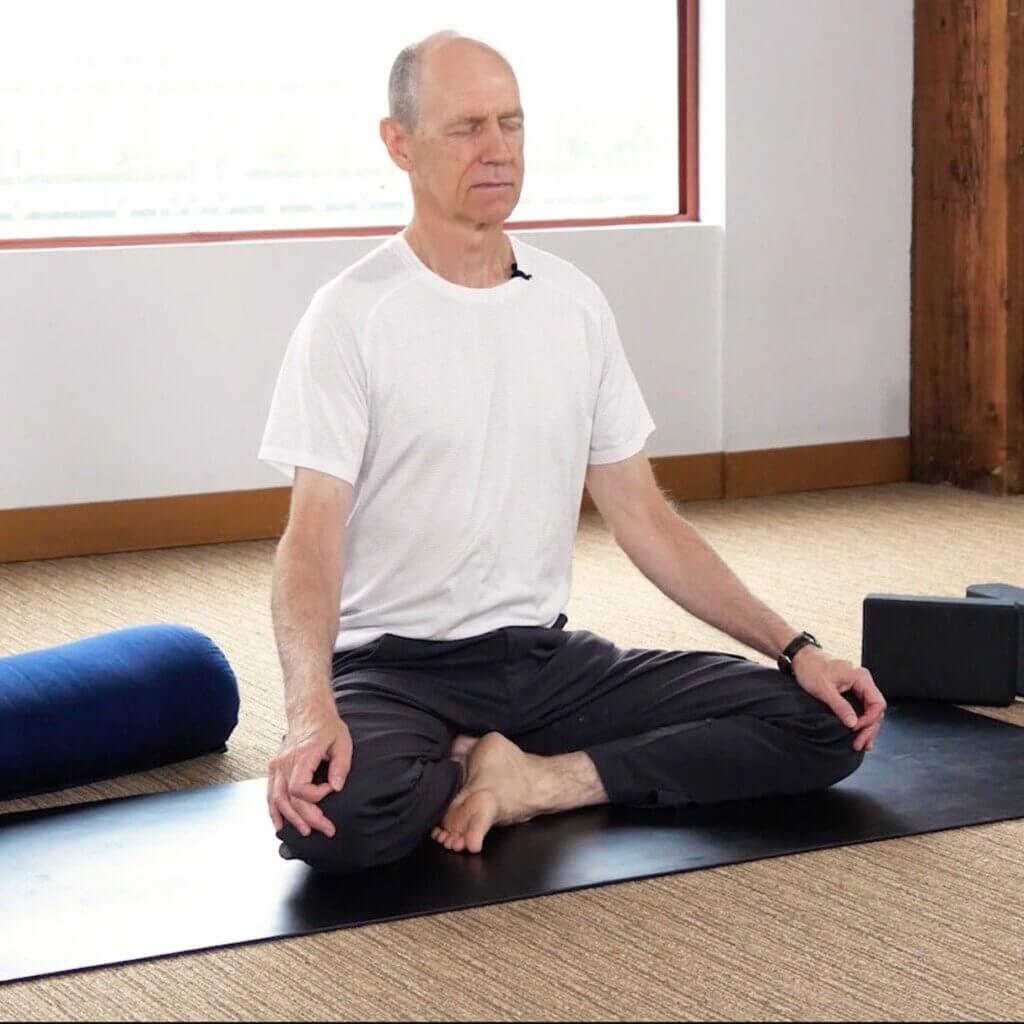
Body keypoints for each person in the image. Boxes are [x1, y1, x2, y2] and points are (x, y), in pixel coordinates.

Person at [257, 29, 886, 874]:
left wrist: (798, 649)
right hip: (396, 667)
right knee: (327, 816)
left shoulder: (573, 305)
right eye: (467, 128)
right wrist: (309, 708)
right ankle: (466, 757)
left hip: (543, 663)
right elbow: (311, 537)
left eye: (511, 125)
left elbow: (645, 520)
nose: (497, 151)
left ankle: (538, 781)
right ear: (398, 143)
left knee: (824, 724)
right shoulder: (350, 315)